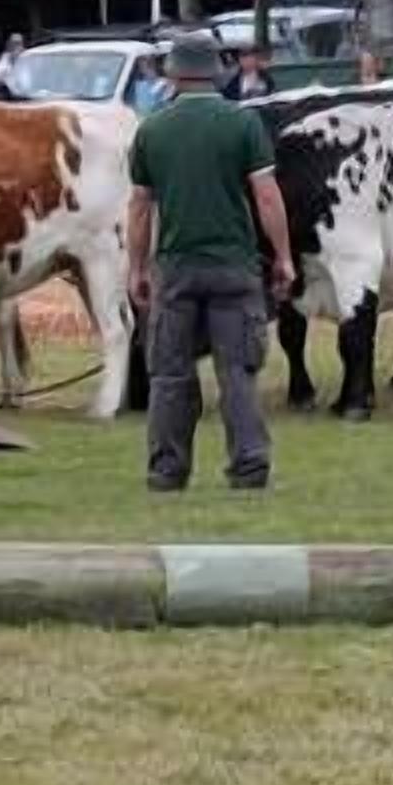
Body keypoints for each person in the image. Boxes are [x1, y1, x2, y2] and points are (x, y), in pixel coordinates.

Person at [126, 32, 294, 492]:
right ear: (216, 73)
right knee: (237, 370)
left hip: (176, 266)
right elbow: (265, 194)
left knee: (170, 373)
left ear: (174, 74)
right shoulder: (242, 124)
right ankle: (249, 465)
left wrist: (137, 269)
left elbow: (140, 207)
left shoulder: (151, 129)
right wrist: (283, 257)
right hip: (234, 264)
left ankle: (167, 469)